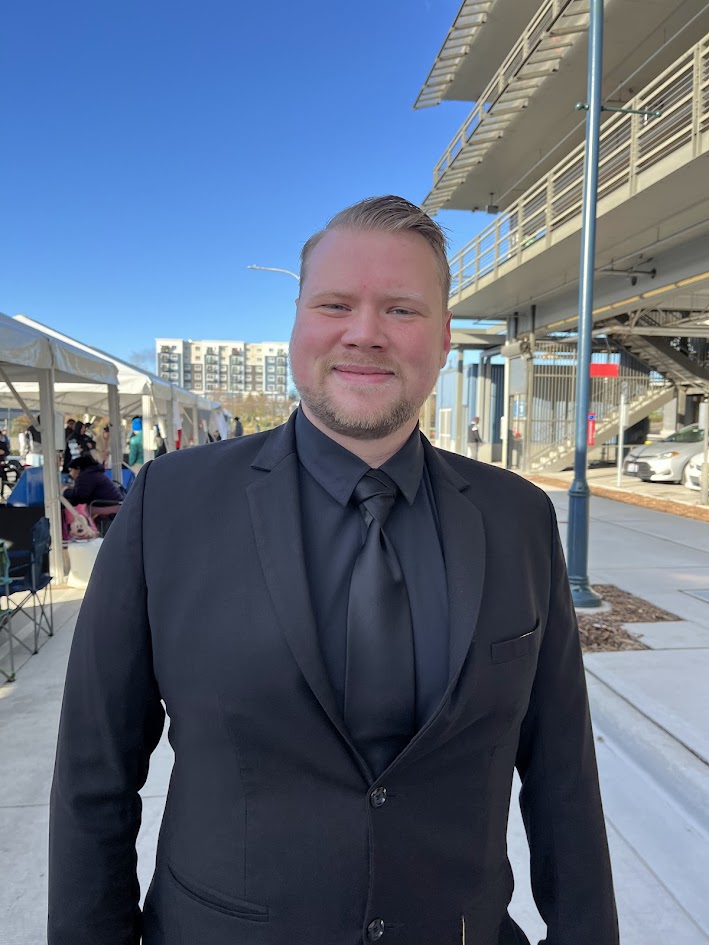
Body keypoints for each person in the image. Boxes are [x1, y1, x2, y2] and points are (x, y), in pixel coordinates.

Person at [48, 196, 618, 945]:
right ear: (296, 323)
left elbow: (562, 775)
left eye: (401, 310)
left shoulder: (516, 517)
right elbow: (96, 772)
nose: (364, 332)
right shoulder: (171, 503)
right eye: (335, 303)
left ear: (444, 337)